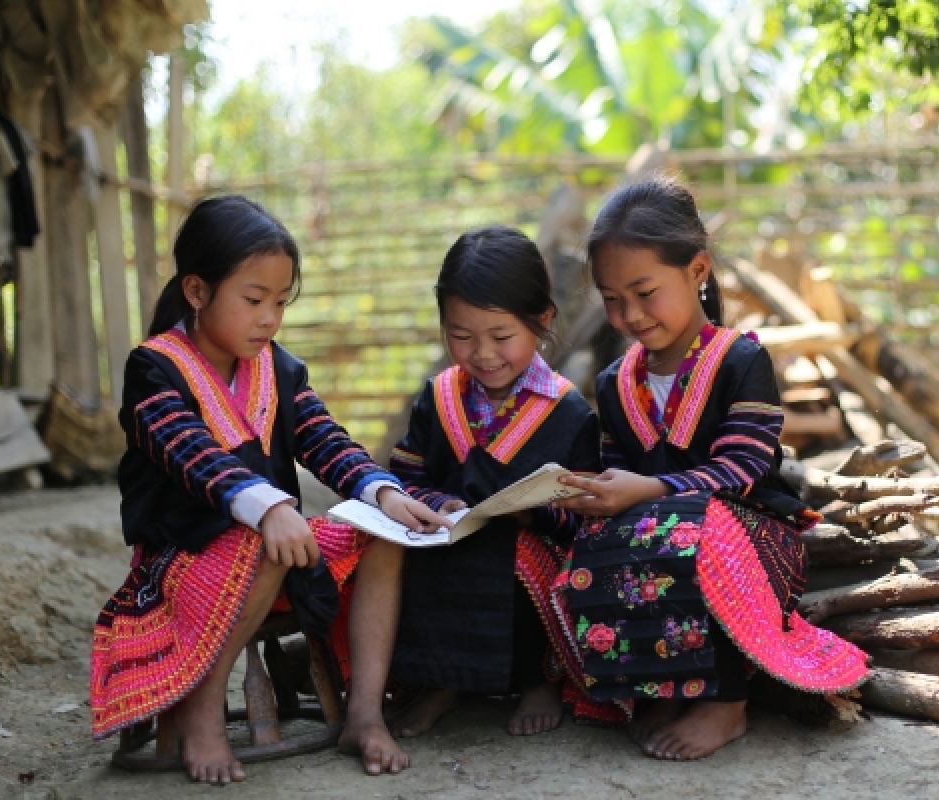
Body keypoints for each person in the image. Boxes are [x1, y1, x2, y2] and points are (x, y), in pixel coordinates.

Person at [90, 196, 451, 784]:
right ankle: (202, 705)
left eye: (281, 302)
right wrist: (271, 509)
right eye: (254, 300)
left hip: (280, 549)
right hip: (184, 555)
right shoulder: (154, 369)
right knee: (265, 542)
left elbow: (324, 440)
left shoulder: (279, 370)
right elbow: (194, 456)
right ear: (198, 291)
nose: (269, 318)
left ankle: (364, 714)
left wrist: (381, 492)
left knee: (382, 538)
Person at [553, 175, 870, 761]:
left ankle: (724, 702)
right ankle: (660, 686)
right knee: (590, 544)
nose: (629, 314)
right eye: (612, 298)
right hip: (661, 537)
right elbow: (617, 470)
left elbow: (745, 469)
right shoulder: (614, 384)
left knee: (696, 528)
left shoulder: (741, 360)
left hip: (751, 540)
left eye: (644, 292)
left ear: (697, 270)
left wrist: (648, 488)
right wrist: (591, 493)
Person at [385, 226, 602, 737]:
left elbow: (585, 508)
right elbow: (406, 474)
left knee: (514, 559)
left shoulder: (568, 412)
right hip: (448, 535)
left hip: (531, 548)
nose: (482, 353)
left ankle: (537, 681)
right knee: (423, 556)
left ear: (542, 320)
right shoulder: (437, 399)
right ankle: (441, 682)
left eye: (502, 336)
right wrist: (436, 504)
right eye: (461, 336)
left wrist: (536, 514)